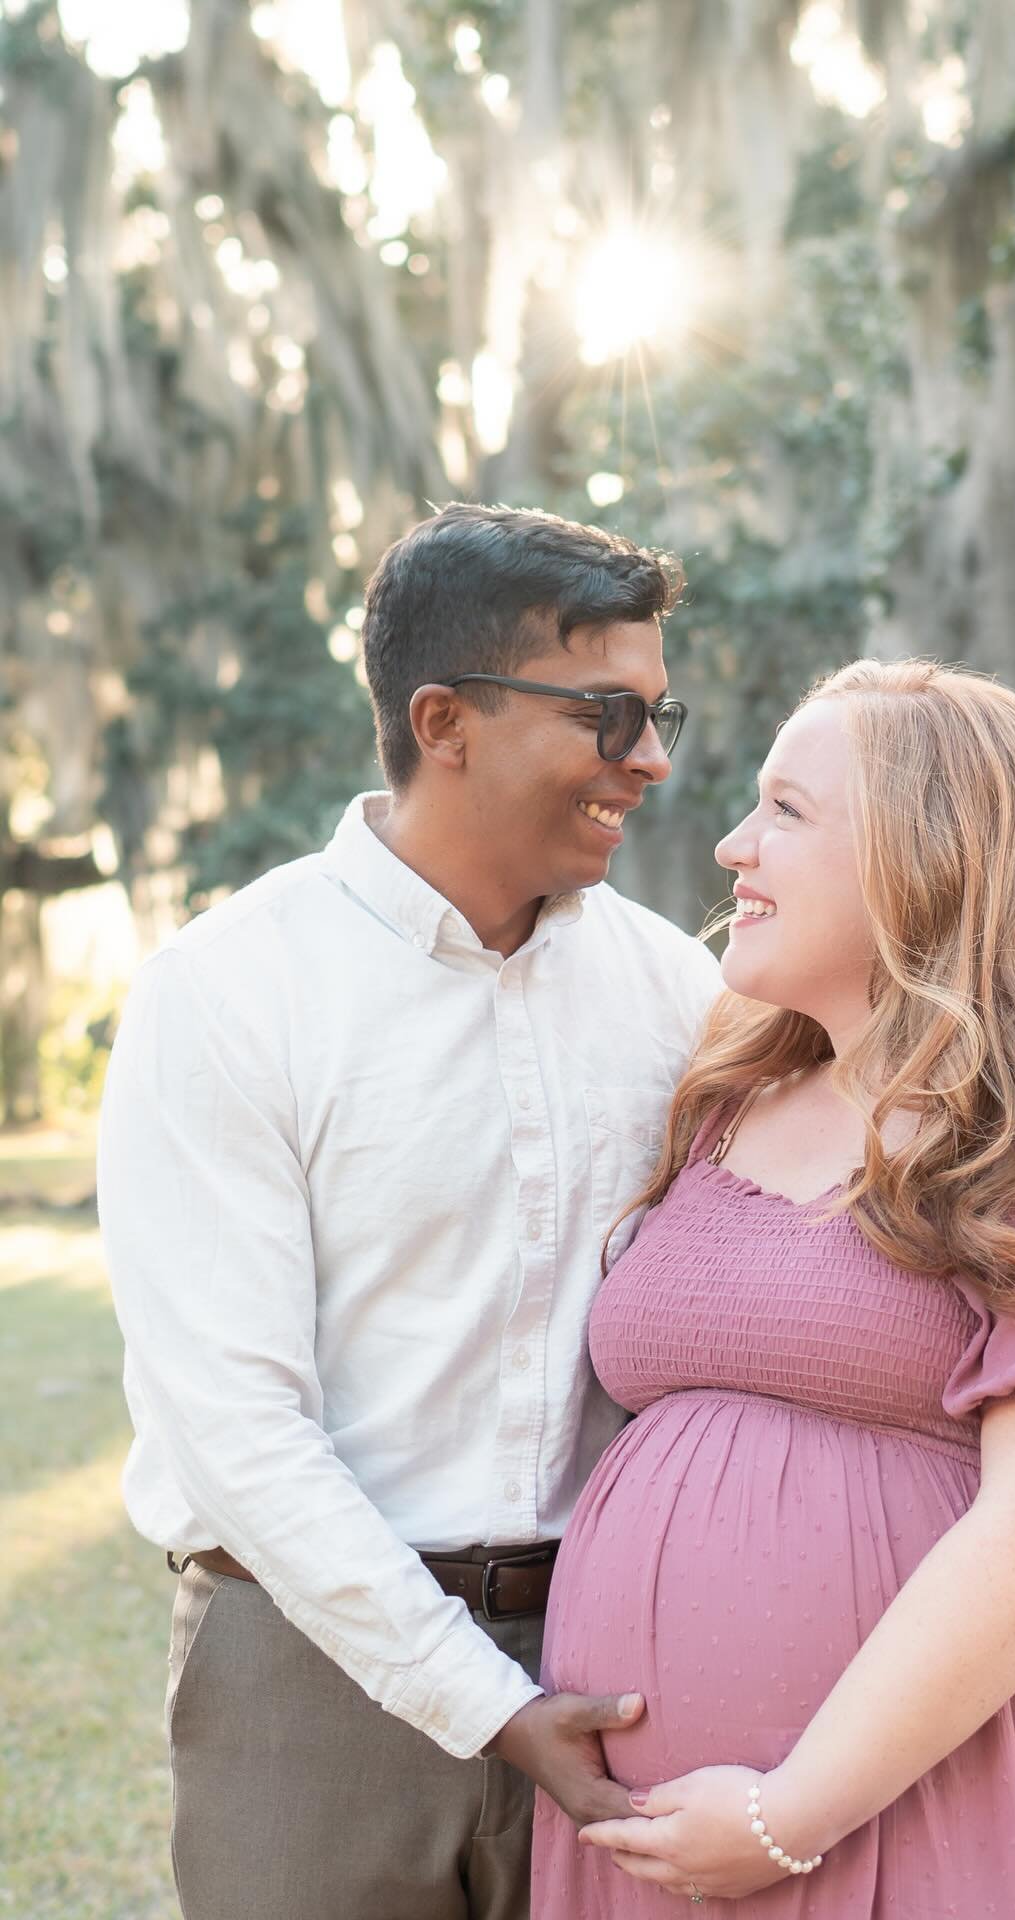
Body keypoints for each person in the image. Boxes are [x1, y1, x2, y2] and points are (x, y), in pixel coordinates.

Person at [530, 658, 1015, 1917]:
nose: (730, 845)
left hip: (952, 1803)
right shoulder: (727, 1097)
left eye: (787, 812)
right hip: (656, 1847)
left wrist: (788, 1812)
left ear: (935, 855)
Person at [98, 504, 721, 1920]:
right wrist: (481, 1703)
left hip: (614, 1649)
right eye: (608, 716)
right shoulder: (228, 992)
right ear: (446, 719)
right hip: (310, 1678)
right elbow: (241, 1428)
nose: (654, 761)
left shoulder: (679, 995)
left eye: (660, 713)